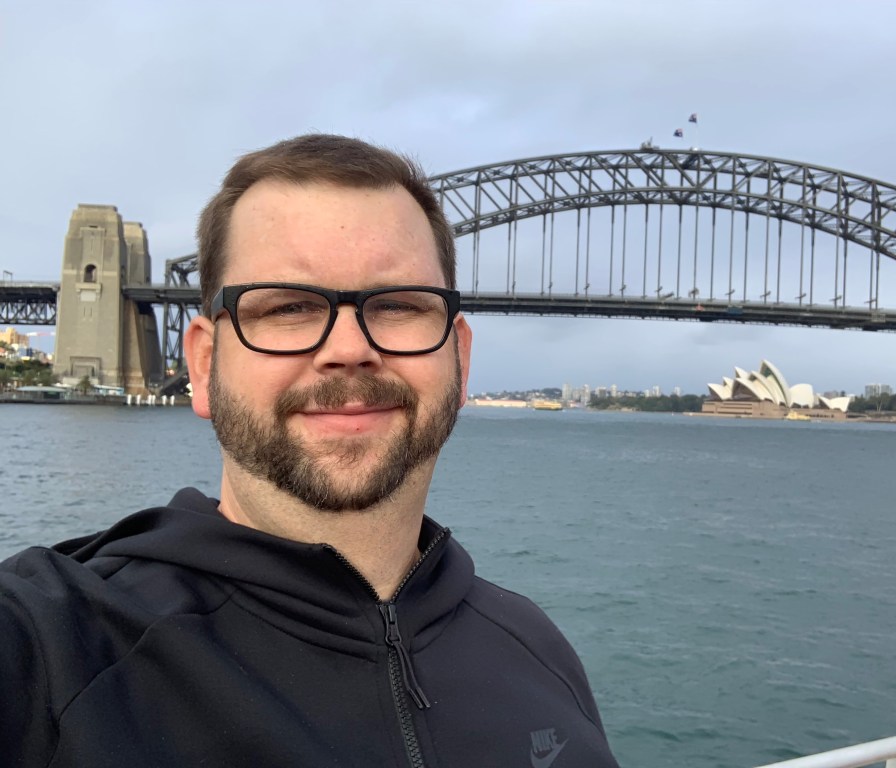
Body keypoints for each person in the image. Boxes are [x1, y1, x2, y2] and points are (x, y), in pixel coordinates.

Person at [0, 135, 620, 767]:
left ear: (459, 358)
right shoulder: (51, 648)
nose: (349, 348)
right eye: (290, 307)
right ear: (205, 363)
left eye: (399, 304)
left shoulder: (539, 654)